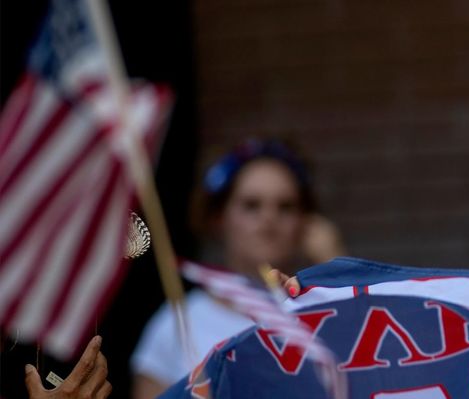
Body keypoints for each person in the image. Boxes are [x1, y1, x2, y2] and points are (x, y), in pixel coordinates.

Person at [131, 138, 346, 399]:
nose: (269, 218)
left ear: (306, 221)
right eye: (251, 205)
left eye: (286, 206)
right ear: (219, 218)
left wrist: (335, 265)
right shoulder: (176, 324)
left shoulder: (328, 312)